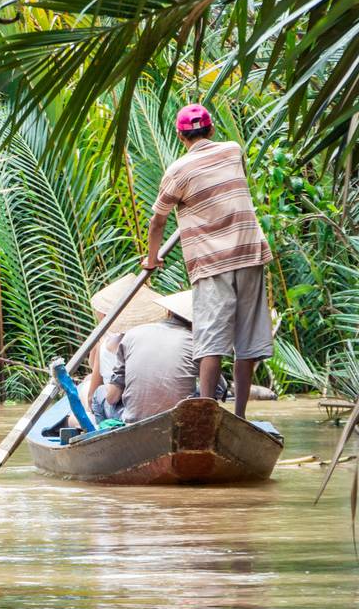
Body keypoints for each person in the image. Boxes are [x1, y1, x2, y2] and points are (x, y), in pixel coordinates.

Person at [141, 104, 273, 419]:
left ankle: (206, 415)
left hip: (212, 263)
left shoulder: (177, 171)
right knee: (247, 342)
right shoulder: (233, 151)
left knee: (211, 341)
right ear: (211, 130)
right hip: (250, 253)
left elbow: (157, 221)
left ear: (180, 136)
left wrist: (151, 258)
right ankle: (239, 416)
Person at [68, 278, 203, 428]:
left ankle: (106, 433)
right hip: (176, 419)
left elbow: (111, 398)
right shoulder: (196, 343)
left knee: (99, 393)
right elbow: (216, 390)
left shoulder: (128, 337)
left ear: (169, 312)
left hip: (133, 416)